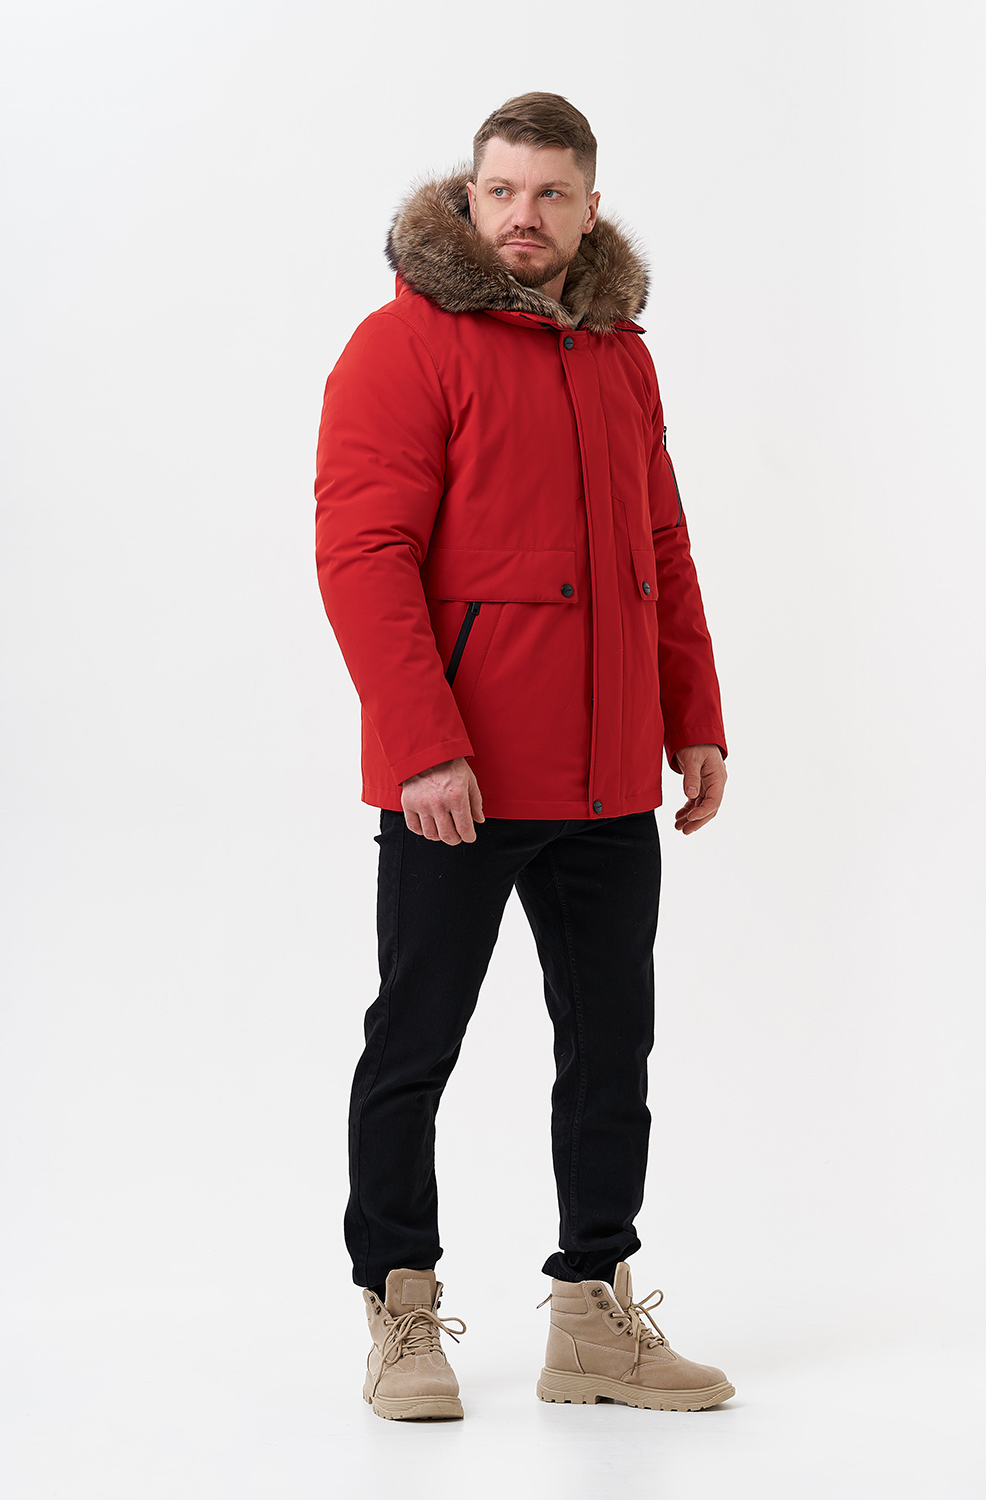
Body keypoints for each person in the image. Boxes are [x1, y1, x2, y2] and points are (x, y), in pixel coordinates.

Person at [314, 91, 734, 1421]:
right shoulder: (401, 345)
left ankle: (593, 1315)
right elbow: (362, 557)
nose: (523, 215)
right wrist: (424, 750)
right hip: (462, 783)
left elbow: (661, 547)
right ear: (469, 194)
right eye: (502, 190)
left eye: (551, 193)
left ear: (588, 208)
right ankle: (400, 1307)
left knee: (613, 1051)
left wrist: (694, 715)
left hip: (608, 778)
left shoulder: (620, 357)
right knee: (415, 1043)